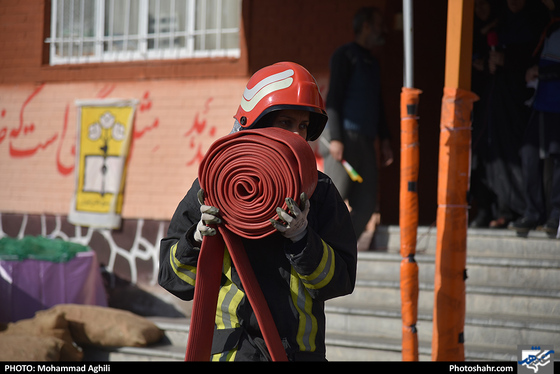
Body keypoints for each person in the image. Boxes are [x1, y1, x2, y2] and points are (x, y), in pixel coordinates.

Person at [158, 62, 357, 361]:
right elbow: (173, 278)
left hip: (296, 355)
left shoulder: (321, 191)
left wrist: (302, 238)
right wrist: (197, 239)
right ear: (253, 123)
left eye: (303, 126)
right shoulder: (214, 183)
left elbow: (340, 281)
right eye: (286, 123)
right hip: (231, 354)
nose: (297, 135)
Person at [323, 6, 394, 240]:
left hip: (367, 142)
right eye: (377, 25)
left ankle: (338, 248)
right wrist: (335, 137)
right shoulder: (345, 55)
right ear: (365, 27)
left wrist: (385, 140)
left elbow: (378, 104)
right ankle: (313, 249)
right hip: (344, 140)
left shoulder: (373, 63)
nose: (381, 30)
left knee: (366, 205)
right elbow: (333, 99)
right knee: (331, 200)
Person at [509, 0, 560, 236]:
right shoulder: (549, 26)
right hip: (542, 101)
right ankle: (532, 212)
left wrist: (543, 72)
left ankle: (555, 215)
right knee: (528, 152)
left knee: (556, 158)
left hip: (557, 103)